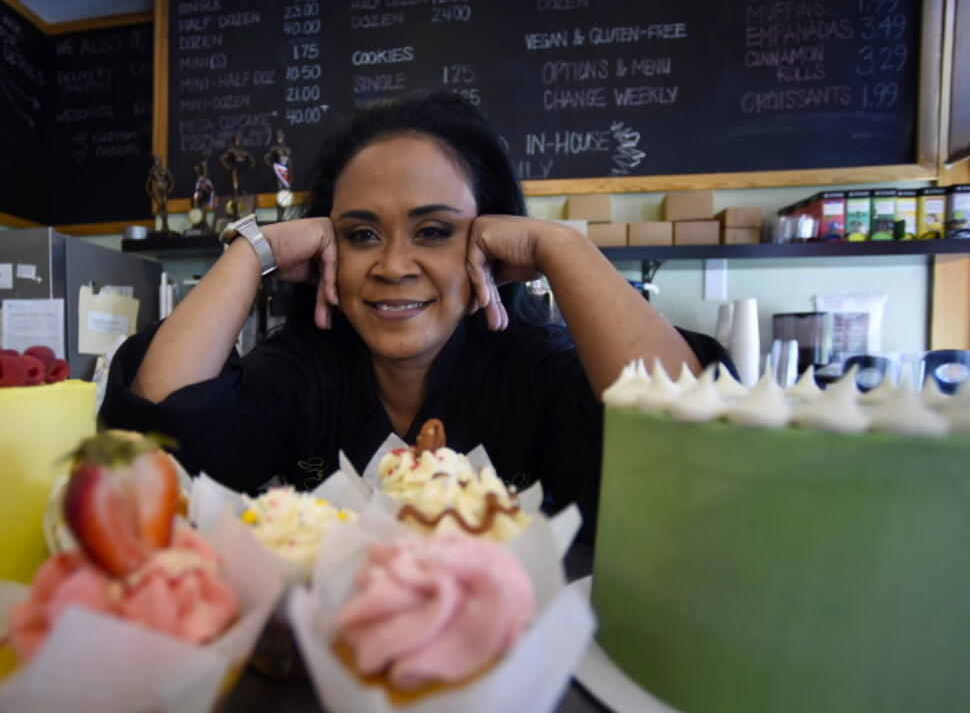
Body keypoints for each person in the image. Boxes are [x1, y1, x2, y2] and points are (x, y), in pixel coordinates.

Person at [100, 91, 727, 566]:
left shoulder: (543, 371)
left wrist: (562, 248)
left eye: (434, 232)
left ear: (490, 244)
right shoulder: (302, 372)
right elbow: (157, 438)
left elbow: (691, 445)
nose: (393, 266)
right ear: (328, 252)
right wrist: (251, 251)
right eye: (360, 234)